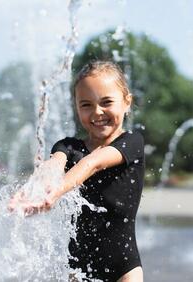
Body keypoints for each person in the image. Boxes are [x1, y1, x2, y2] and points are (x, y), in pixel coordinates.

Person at [8, 60, 144, 282]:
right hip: (78, 268)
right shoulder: (68, 146)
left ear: (127, 102)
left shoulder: (132, 142)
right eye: (86, 105)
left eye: (107, 102)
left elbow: (93, 163)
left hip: (124, 269)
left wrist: (57, 190)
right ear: (76, 106)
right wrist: (34, 188)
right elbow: (53, 165)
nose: (97, 112)